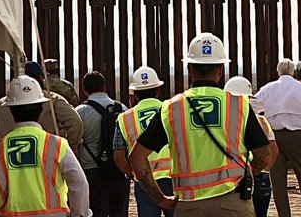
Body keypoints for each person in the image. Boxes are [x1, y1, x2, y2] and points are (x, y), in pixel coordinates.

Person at [129, 31, 269, 217]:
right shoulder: (239, 104)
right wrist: (245, 172)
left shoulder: (171, 108)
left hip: (189, 206)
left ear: (190, 69)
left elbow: (137, 157)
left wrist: (160, 199)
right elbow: (264, 156)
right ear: (220, 70)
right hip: (233, 202)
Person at [0, 74, 90, 217]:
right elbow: (79, 183)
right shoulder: (57, 145)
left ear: (11, 111)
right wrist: (79, 214)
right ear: (41, 109)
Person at [252, 58, 301, 217]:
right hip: (296, 137)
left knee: (277, 181)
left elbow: (251, 108)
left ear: (278, 72)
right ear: (294, 72)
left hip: (273, 138)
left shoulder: (268, 88)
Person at [0, 62, 82, 156]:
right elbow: (75, 121)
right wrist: (71, 147)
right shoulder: (52, 99)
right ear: (40, 78)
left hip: (12, 160)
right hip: (47, 155)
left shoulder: (1, 104)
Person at [113, 66, 172, 217]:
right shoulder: (171, 110)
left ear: (135, 94)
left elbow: (118, 156)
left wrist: (132, 173)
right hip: (173, 177)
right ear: (158, 90)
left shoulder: (124, 118)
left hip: (145, 181)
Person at [76, 69, 129, 217]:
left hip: (92, 171)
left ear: (84, 90)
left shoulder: (80, 112)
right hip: (118, 170)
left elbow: (74, 140)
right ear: (104, 87)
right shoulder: (122, 109)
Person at [226, 76, 278, 217]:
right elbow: (274, 151)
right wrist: (262, 171)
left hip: (235, 181)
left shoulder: (226, 124)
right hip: (261, 179)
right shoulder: (261, 121)